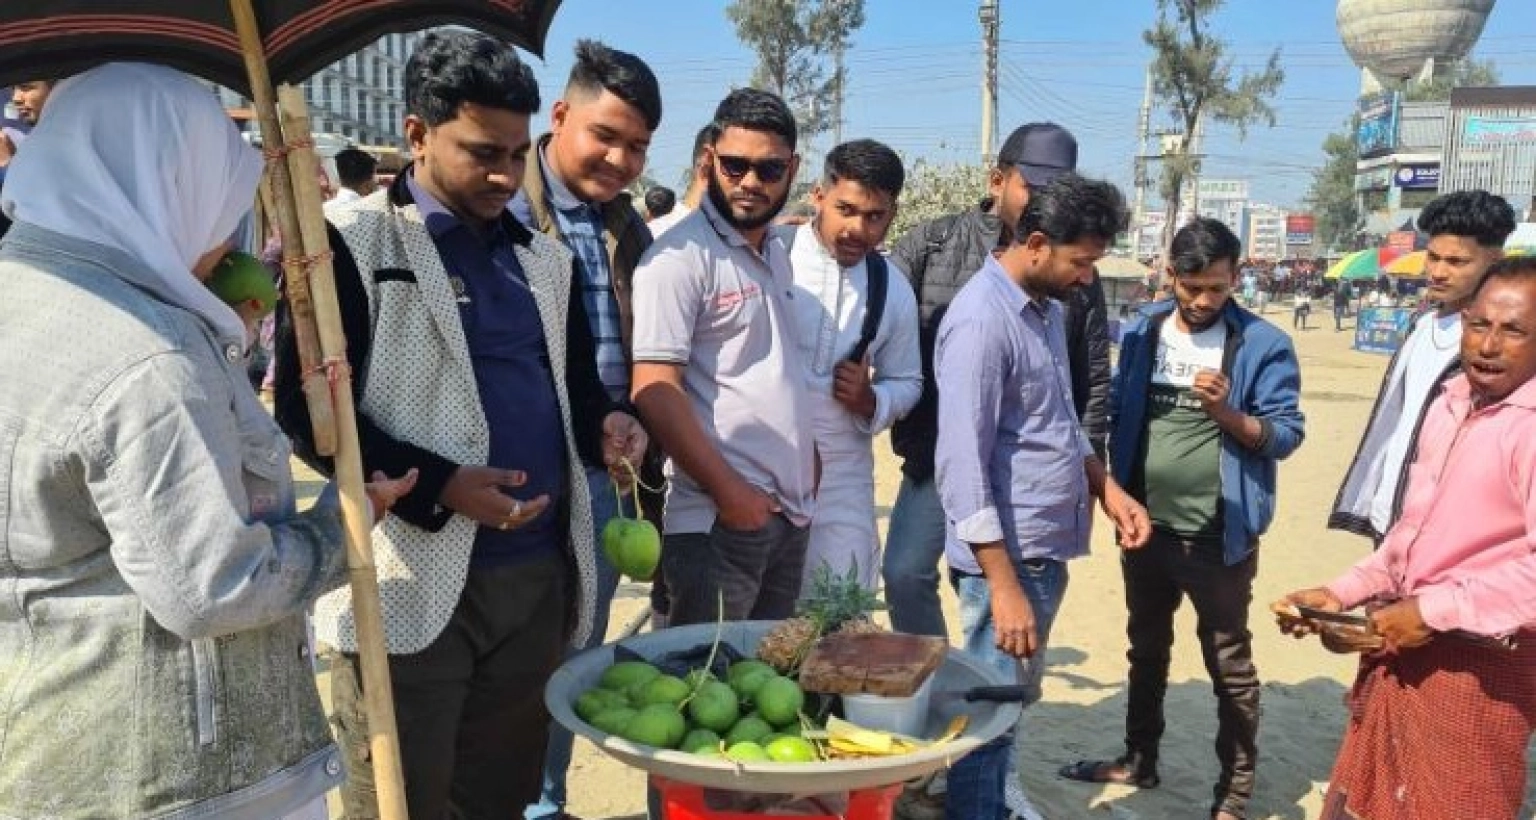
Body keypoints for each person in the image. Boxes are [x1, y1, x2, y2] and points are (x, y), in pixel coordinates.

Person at [0, 62, 415, 820]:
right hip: (174, 771)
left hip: (42, 741)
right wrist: (338, 527)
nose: (225, 240)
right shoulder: (143, 358)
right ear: (168, 185)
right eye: (220, 204)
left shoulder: (20, 293)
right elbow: (214, 586)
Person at [273, 31, 647, 819]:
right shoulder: (346, 246)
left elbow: (579, 395)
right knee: (401, 800)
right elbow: (308, 418)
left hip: (535, 583)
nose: (506, 175)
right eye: (483, 153)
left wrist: (613, 425)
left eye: (517, 154)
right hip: (407, 585)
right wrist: (439, 485)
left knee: (500, 798)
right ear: (416, 135)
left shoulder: (545, 260)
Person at [1059, 218, 1304, 820]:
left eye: (1216, 289)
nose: (1201, 301)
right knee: (1145, 650)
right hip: (1144, 531)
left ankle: (1234, 795)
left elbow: (1285, 434)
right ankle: (1140, 760)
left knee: (1229, 665)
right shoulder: (1143, 332)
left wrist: (1226, 412)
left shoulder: (1263, 344)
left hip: (1220, 538)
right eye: (1190, 286)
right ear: (1170, 274)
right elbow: (1114, 407)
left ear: (1236, 278)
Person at [1277, 256, 1536, 820]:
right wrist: (1340, 596)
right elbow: (1409, 539)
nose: (1488, 345)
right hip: (1407, 650)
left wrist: (1432, 610)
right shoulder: (1450, 404)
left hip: (1481, 672)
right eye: (1478, 324)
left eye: (1514, 330)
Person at [935, 173, 1150, 820]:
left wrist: (1105, 486)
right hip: (1006, 561)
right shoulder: (980, 322)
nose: (1087, 278)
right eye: (1081, 262)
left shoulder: (1046, 312)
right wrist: (1002, 586)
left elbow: (1055, 421)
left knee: (1009, 705)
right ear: (1034, 242)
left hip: (1040, 548)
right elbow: (961, 467)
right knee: (988, 715)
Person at [508, 38, 661, 820]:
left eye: (636, 146)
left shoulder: (626, 226)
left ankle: (544, 803)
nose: (620, 158)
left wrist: (626, 418)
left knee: (575, 649)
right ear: (560, 114)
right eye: (606, 135)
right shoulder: (500, 200)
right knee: (510, 647)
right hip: (511, 471)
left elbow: (632, 351)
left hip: (601, 471)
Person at [883, 122, 1110, 643]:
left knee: (1006, 643)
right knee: (907, 573)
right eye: (1035, 186)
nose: (1047, 198)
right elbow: (890, 336)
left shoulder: (1070, 273)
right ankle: (936, 675)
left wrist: (1094, 477)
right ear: (998, 181)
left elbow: (1089, 381)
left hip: (1025, 470)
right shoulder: (934, 244)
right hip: (939, 453)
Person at [630, 88, 816, 626]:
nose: (751, 182)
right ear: (710, 159)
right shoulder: (678, 259)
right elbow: (653, 388)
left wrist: (810, 461)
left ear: (792, 168)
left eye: (769, 168)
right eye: (735, 165)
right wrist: (730, 494)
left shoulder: (776, 253)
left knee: (763, 692)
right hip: (718, 522)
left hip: (787, 517)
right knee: (702, 692)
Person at [1328, 191, 1516, 543]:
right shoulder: (1422, 324)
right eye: (1433, 257)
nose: (1439, 272)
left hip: (1446, 532)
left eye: (1457, 262)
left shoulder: (1501, 345)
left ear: (1494, 261)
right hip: (1392, 516)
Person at [785, 138, 921, 589]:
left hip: (842, 476)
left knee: (835, 611)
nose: (858, 229)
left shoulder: (891, 288)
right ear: (818, 195)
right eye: (846, 209)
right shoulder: (770, 256)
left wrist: (870, 400)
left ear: (892, 215)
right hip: (753, 464)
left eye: (874, 216)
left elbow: (908, 380)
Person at [647, 123, 715, 238]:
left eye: (757, 168)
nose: (751, 181)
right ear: (707, 162)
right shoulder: (654, 237)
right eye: (737, 165)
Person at [324, 146, 379, 214]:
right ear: (366, 183)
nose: (376, 181)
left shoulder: (323, 210)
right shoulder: (372, 213)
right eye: (374, 175)